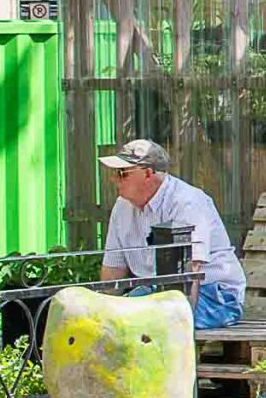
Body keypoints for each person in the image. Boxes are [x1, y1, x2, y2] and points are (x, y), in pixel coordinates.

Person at [97, 139, 248, 329]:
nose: (114, 179)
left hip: (212, 296)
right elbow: (114, 271)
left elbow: (189, 271)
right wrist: (101, 314)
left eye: (122, 173)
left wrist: (180, 326)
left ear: (148, 173)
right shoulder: (122, 207)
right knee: (112, 319)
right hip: (156, 295)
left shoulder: (187, 202)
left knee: (137, 319)